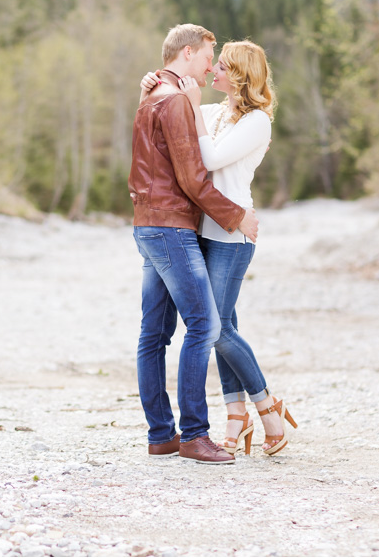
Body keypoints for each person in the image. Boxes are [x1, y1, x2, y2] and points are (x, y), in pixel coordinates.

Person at [140, 40, 297, 457]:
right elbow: (173, 124)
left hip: (232, 234)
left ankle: (265, 405)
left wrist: (192, 105)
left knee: (218, 328)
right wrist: (151, 89)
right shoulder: (216, 111)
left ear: (241, 75)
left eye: (222, 66)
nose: (213, 72)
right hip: (204, 231)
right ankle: (236, 413)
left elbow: (208, 159)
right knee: (223, 324)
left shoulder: (258, 121)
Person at [129, 24, 260, 465]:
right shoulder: (177, 101)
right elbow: (193, 177)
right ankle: (194, 435)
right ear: (187, 53)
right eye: (208, 57)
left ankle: (161, 435)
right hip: (171, 229)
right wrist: (236, 215)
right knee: (204, 325)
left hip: (147, 225)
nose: (210, 67)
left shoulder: (153, 93)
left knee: (154, 333)